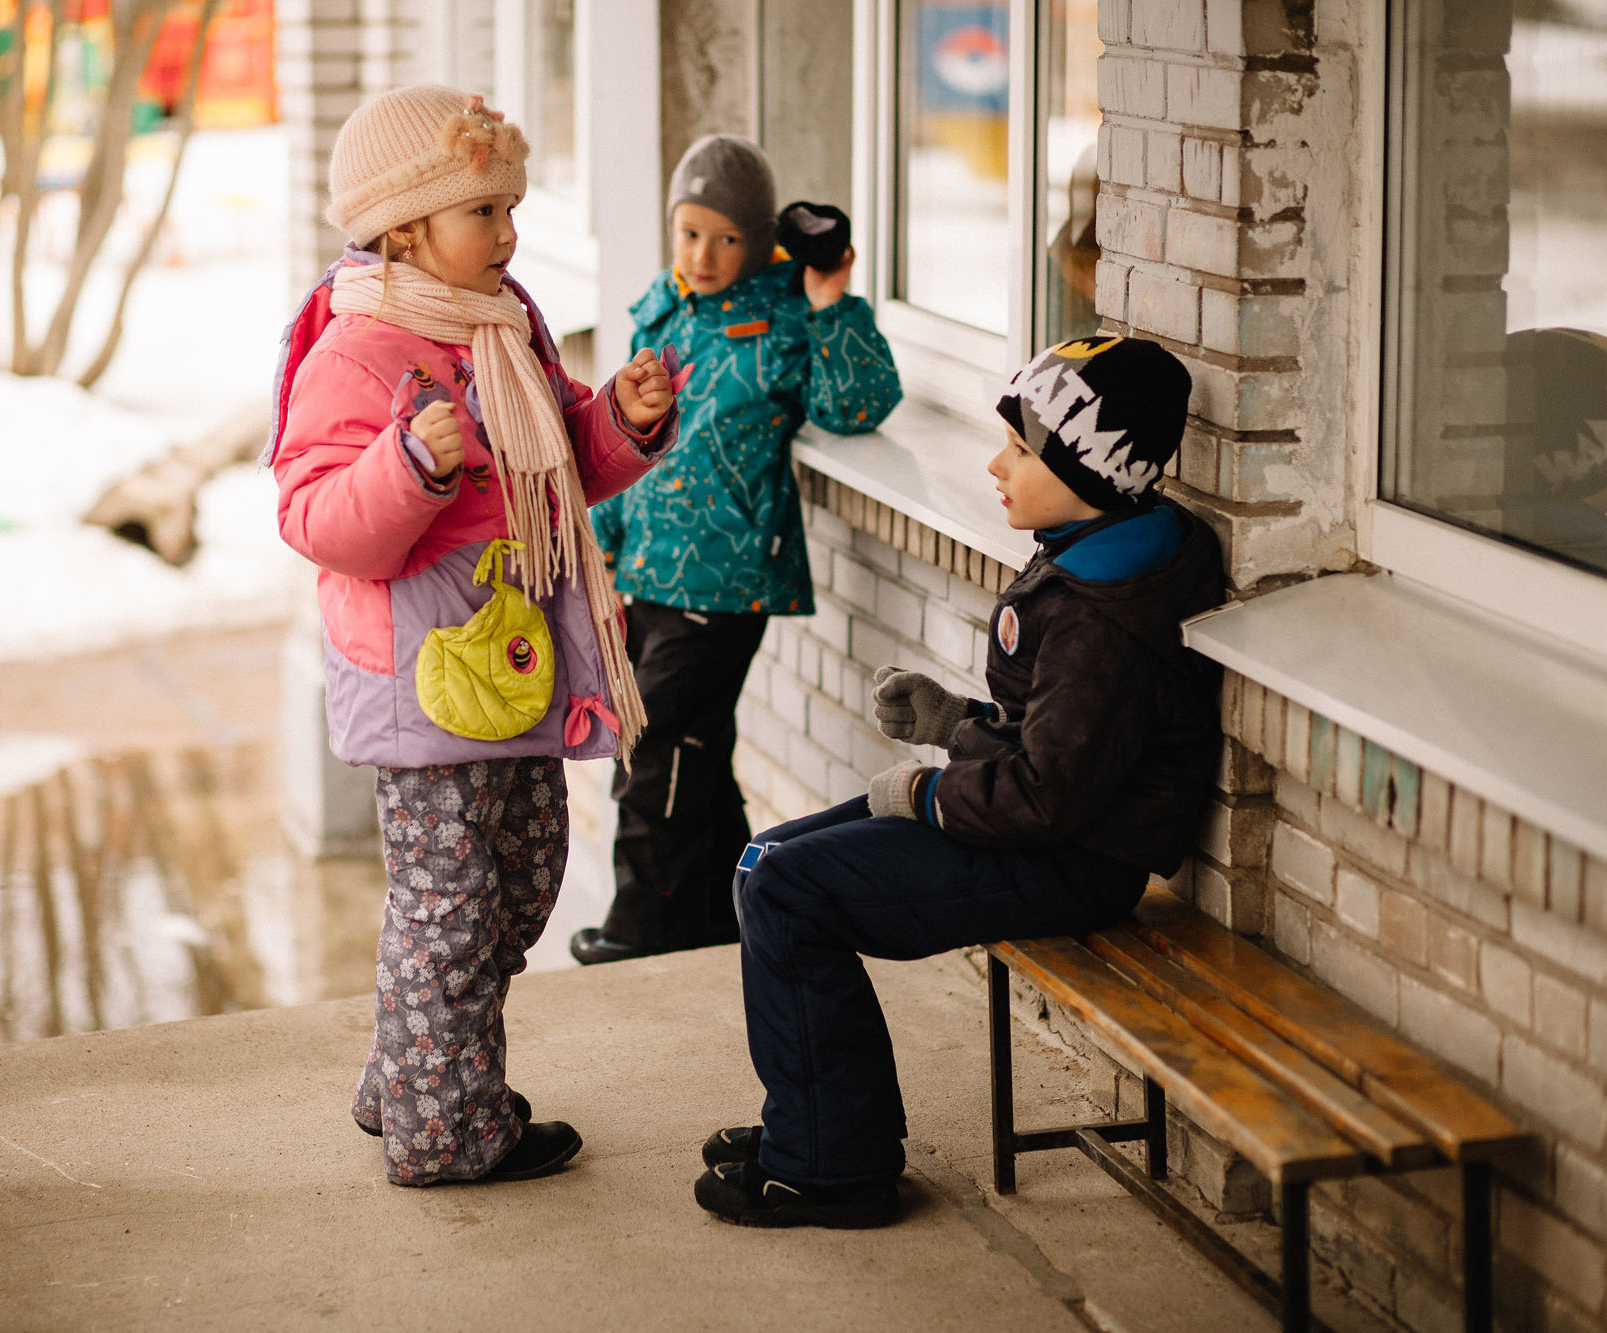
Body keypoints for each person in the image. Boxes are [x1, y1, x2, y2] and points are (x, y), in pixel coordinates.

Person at [693, 335, 1224, 1228]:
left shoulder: (1105, 617)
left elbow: (1048, 794)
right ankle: (823, 1124)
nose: (995, 464)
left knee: (787, 890)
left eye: (1021, 448)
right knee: (764, 861)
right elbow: (1052, 742)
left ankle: (831, 1167)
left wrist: (927, 792)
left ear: (1091, 468)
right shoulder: (1093, 545)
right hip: (1046, 832)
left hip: (1073, 861)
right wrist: (953, 723)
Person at [267, 84, 687, 1187]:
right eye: (483, 213)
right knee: (449, 909)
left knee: (525, 881)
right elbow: (315, 520)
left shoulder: (501, 328)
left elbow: (561, 465)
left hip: (518, 668)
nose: (508, 235)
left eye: (511, 210)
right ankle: (448, 1129)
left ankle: (409, 1074)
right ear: (405, 227)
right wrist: (409, 468)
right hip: (428, 680)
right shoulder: (355, 354)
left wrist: (621, 418)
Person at [569, 135, 903, 966]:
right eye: (689, 233)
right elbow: (629, 441)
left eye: (724, 238)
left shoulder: (783, 316)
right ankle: (729, 910)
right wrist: (605, 547)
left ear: (756, 240)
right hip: (647, 569)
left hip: (724, 580)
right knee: (695, 750)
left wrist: (830, 300)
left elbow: (856, 403)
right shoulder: (665, 309)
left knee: (656, 746)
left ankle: (642, 926)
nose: (703, 255)